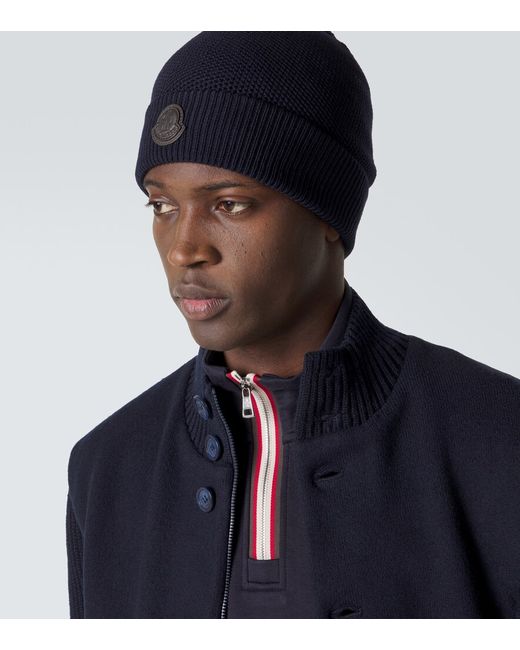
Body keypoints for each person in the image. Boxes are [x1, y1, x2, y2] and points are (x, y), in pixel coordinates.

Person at [66, 31, 520, 619]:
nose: (184, 249)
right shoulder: (107, 469)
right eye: (162, 206)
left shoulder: (498, 438)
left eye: (229, 204)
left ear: (329, 212)